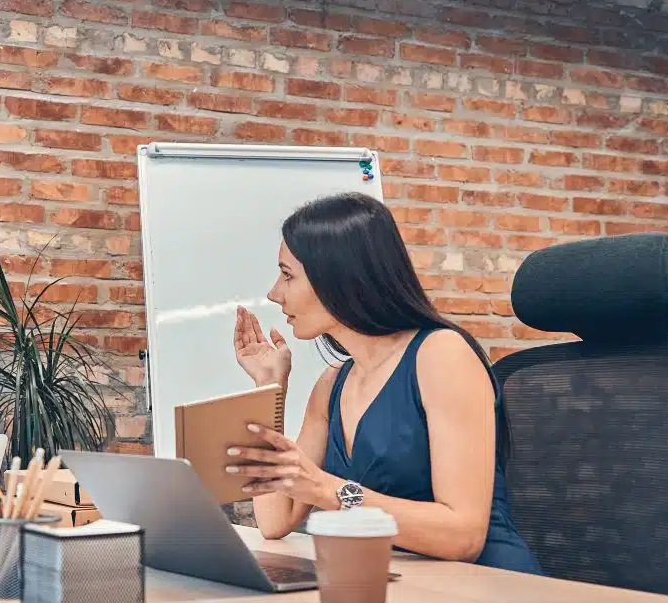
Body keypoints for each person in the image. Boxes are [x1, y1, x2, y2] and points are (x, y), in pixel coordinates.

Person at [226, 192, 542, 574]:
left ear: (338, 277)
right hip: (401, 585)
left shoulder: (441, 355)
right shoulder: (332, 386)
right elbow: (275, 521)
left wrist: (328, 489)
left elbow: (464, 536)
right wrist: (268, 386)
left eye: (288, 275)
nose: (274, 293)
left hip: (484, 587)